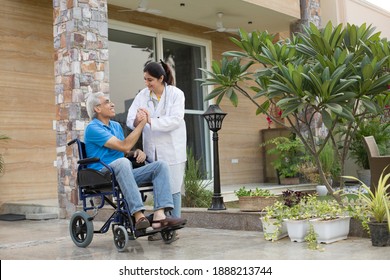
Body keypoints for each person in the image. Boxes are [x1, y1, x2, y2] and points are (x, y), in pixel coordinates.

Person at [84, 92, 186, 230]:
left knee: (160, 166)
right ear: (97, 109)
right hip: (102, 175)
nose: (112, 104)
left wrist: (136, 152)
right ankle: (139, 216)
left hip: (122, 173)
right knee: (123, 162)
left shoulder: (116, 126)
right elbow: (124, 145)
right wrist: (142, 123)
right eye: (107, 102)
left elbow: (125, 151)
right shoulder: (93, 128)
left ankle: (159, 216)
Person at [126, 60, 187, 220]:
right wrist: (137, 120)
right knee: (158, 188)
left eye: (150, 80)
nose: (147, 83)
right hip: (152, 150)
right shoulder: (142, 95)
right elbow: (130, 118)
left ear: (161, 78)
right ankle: (161, 225)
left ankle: (173, 226)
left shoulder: (176, 94)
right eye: (145, 79)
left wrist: (150, 121)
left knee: (173, 188)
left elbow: (176, 119)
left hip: (173, 149)